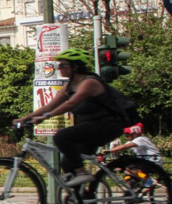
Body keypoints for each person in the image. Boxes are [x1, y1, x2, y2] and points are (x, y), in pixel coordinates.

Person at [13, 49, 125, 190]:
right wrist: (24, 118)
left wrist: (45, 117)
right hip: (92, 126)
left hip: (109, 124)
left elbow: (70, 104)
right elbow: (50, 105)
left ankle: (82, 173)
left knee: (61, 136)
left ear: (75, 67)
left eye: (62, 65)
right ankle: (82, 200)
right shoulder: (70, 85)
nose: (58, 68)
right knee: (67, 163)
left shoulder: (89, 82)